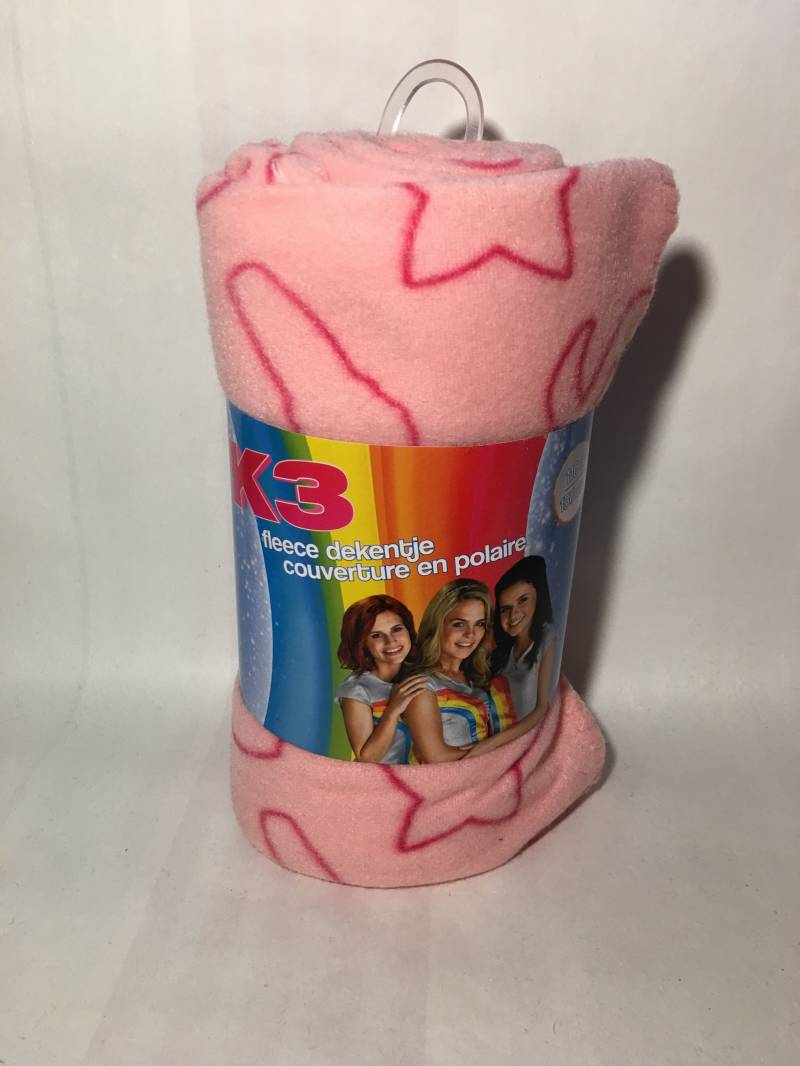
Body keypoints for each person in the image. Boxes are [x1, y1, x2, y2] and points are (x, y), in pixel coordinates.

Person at [402, 579, 506, 763]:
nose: (470, 634)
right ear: (437, 625)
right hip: (439, 780)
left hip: (483, 774)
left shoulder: (476, 677)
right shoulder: (421, 685)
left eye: (479, 624)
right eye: (459, 624)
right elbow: (435, 757)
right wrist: (500, 747)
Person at [335, 595, 429, 764]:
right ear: (362, 643)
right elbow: (367, 758)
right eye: (377, 635)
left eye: (397, 629)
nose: (391, 641)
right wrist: (393, 711)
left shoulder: (423, 673)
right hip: (378, 779)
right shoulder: (356, 690)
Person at [490, 555, 556, 729]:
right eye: (505, 609)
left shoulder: (548, 635)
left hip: (530, 735)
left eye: (523, 600)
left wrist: (492, 743)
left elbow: (542, 709)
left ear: (538, 597)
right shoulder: (501, 656)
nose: (513, 615)